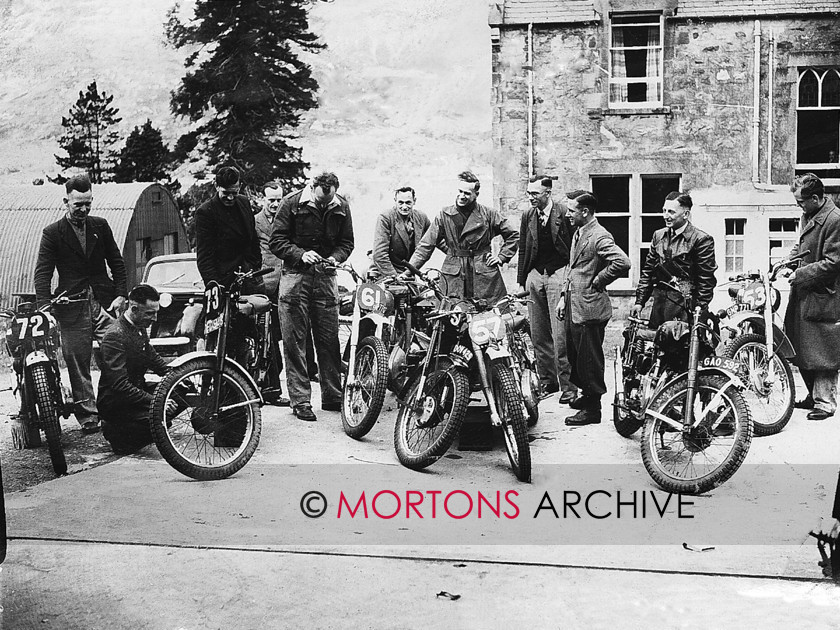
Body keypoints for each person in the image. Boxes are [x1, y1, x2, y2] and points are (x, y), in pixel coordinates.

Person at [34, 174, 127, 434]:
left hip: (101, 303)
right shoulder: (52, 233)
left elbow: (117, 263)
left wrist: (120, 293)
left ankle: (115, 408)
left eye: (88, 203)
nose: (84, 210)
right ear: (66, 202)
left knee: (119, 348)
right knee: (77, 360)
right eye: (78, 205)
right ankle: (88, 416)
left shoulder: (101, 225)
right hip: (71, 305)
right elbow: (43, 272)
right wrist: (44, 306)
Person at [269, 172, 354, 422]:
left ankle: (332, 395)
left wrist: (335, 258)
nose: (325, 205)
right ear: (312, 187)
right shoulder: (291, 203)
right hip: (296, 277)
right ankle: (301, 400)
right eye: (320, 201)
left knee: (329, 339)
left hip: (326, 278)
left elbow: (347, 243)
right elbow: (277, 241)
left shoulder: (341, 206)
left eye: (328, 202)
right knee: (294, 341)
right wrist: (300, 254)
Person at [558, 190, 630, 426]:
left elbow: (623, 262)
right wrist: (562, 297)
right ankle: (588, 397)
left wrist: (599, 281)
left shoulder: (599, 236)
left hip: (590, 307)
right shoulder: (579, 232)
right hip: (574, 303)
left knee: (589, 360)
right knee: (576, 356)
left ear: (585, 212)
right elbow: (573, 267)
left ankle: (593, 410)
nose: (568, 214)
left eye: (571, 210)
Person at [408, 170, 518, 302]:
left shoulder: (489, 214)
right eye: (460, 191)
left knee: (490, 313)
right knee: (451, 313)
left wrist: (501, 257)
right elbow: (425, 246)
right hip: (453, 272)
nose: (461, 196)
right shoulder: (444, 215)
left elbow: (513, 235)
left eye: (467, 193)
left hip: (482, 272)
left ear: (476, 194)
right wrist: (409, 271)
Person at [784, 173, 840, 421]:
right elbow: (802, 246)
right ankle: (812, 395)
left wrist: (799, 274)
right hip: (807, 292)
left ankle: (826, 403)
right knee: (802, 345)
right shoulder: (810, 214)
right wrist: (789, 260)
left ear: (815, 198)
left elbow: (833, 263)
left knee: (824, 350)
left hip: (824, 294)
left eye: (800, 202)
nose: (799, 206)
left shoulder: (835, 219)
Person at [516, 175, 577, 403]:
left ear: (547, 193)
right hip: (535, 275)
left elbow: (574, 249)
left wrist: (569, 279)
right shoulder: (527, 215)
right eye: (528, 192)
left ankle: (569, 387)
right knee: (539, 333)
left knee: (561, 333)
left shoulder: (563, 213)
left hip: (559, 272)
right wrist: (522, 280)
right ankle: (547, 380)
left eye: (535, 193)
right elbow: (523, 248)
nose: (530, 197)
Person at [97, 284, 173, 454]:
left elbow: (153, 359)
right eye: (150, 313)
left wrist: (178, 377)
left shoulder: (139, 327)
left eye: (156, 312)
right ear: (134, 308)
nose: (154, 318)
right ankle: (118, 434)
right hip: (118, 405)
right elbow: (120, 386)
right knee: (161, 420)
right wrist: (156, 401)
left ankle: (146, 425)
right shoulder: (114, 336)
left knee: (178, 390)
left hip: (135, 394)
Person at [631, 192, 717, 328]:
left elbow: (706, 280)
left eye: (671, 212)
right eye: (664, 211)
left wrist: (699, 309)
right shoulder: (658, 236)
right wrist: (639, 302)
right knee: (653, 345)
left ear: (686, 214)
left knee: (680, 346)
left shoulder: (701, 240)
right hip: (659, 304)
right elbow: (648, 271)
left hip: (685, 306)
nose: (666, 216)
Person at [194, 166, 264, 293]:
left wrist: (255, 265)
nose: (230, 198)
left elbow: (253, 238)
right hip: (224, 283)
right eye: (225, 193)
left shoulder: (244, 202)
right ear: (216, 186)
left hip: (251, 278)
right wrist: (215, 287)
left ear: (240, 186)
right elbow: (205, 257)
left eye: (234, 193)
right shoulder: (205, 212)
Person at [253, 181, 290, 407]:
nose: (276, 204)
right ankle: (269, 390)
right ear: (262, 199)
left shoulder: (288, 218)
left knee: (283, 338)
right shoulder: (255, 222)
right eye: (271, 200)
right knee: (266, 341)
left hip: (287, 284)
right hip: (264, 286)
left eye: (279, 200)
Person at [372, 186, 430, 278]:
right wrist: (394, 277)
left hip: (407, 272)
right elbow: (379, 254)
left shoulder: (421, 218)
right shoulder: (385, 218)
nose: (404, 207)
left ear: (414, 201)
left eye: (408, 203)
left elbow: (436, 238)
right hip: (385, 271)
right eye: (400, 203)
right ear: (395, 200)